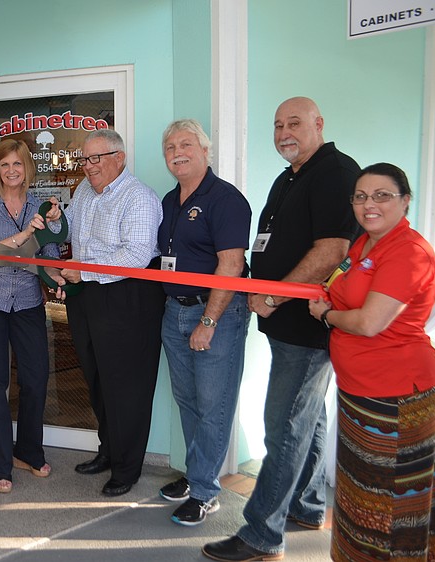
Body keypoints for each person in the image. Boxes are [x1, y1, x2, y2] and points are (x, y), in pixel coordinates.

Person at [203, 97, 361, 561]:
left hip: (305, 327)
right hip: (286, 326)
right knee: (306, 419)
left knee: (284, 426)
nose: (284, 132)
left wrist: (272, 295)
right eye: (277, 125)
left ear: (319, 124)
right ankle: (307, 505)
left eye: (295, 123)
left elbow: (332, 250)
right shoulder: (290, 176)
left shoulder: (335, 171)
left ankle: (260, 534)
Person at [308, 163, 435, 561]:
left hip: (395, 397)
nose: (369, 204)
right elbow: (343, 289)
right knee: (361, 497)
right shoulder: (365, 244)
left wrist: (326, 316)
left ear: (405, 200)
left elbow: (368, 322)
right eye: (361, 197)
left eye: (382, 195)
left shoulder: (409, 252)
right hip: (360, 392)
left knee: (392, 506)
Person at [42, 128, 164, 497]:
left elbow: (136, 257)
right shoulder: (82, 192)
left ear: (119, 158)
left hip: (127, 298)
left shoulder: (138, 197)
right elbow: (72, 237)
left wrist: (85, 271)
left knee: (127, 387)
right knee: (97, 380)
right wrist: (54, 224)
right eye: (85, 159)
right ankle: (108, 452)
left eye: (96, 158)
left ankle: (127, 469)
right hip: (87, 297)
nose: (89, 166)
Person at [156, 120, 251, 526]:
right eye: (170, 147)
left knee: (214, 405)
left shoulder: (225, 199)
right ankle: (197, 477)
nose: (177, 152)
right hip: (175, 311)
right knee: (188, 400)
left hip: (216, 314)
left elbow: (231, 265)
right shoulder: (169, 200)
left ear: (205, 151)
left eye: (186, 144)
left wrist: (209, 320)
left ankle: (207, 490)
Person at [0, 139, 60, 493]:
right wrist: (26, 233)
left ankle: (29, 451)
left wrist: (59, 278)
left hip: (28, 300)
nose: (11, 171)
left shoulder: (41, 205)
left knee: (35, 377)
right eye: (4, 165)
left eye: (17, 164)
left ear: (27, 168)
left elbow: (49, 251)